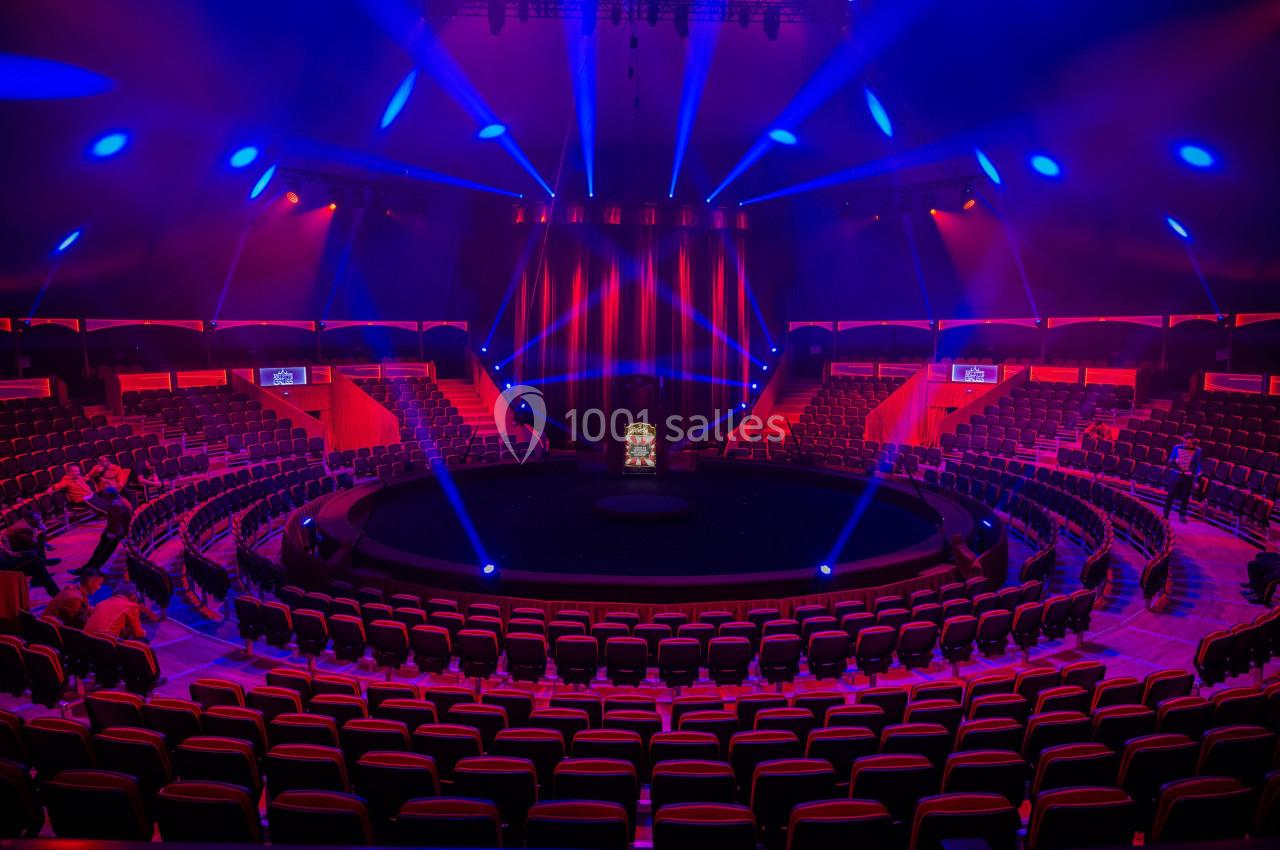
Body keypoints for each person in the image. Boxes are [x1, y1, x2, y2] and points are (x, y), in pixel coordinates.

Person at [77, 486, 134, 574]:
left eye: (105, 498)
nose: (104, 500)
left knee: (103, 550)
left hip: (118, 532)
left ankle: (91, 568)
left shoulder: (116, 505)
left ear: (109, 497)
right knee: (102, 549)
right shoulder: (120, 499)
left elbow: (114, 524)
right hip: (120, 530)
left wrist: (109, 534)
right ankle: (89, 567)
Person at [1163, 432, 1202, 522]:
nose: (1186, 445)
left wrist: (1196, 481)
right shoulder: (1177, 448)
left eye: (1188, 443)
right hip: (1176, 474)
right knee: (1170, 494)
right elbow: (1169, 461)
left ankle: (1182, 515)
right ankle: (1165, 514)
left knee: (1185, 497)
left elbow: (1198, 466)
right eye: (1185, 443)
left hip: (1188, 476)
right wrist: (1174, 460)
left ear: (1192, 442)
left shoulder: (1198, 450)